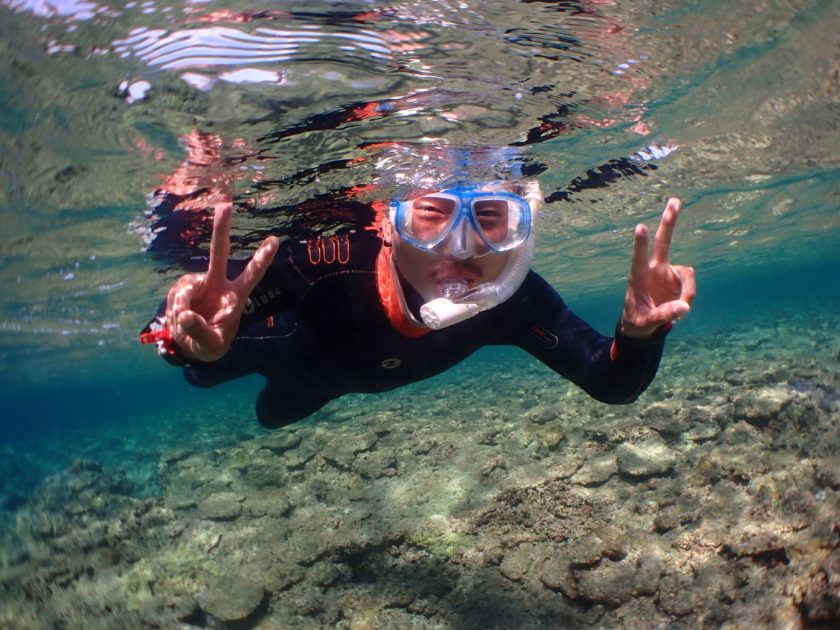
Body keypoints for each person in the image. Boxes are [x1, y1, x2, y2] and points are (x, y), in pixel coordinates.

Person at [140, 180, 695, 429]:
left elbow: (611, 382)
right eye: (431, 211)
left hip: (319, 388)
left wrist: (640, 332)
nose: (462, 244)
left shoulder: (514, 299)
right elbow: (165, 330)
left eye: (492, 216)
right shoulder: (327, 260)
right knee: (202, 374)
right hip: (276, 350)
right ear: (387, 223)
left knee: (272, 416)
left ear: (522, 228)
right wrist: (183, 343)